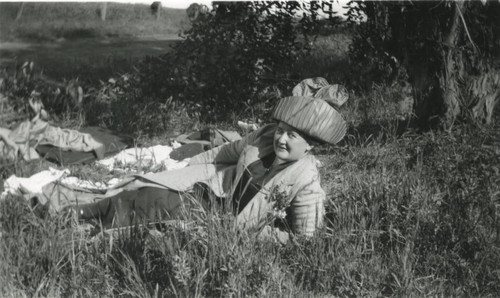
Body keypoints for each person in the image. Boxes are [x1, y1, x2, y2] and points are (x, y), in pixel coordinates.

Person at [65, 95, 347, 242]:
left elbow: (304, 238)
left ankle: (94, 232)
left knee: (153, 220)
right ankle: (86, 210)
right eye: (281, 130)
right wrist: (188, 164)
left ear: (309, 146)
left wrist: (259, 234)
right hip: (213, 193)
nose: (281, 138)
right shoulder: (263, 138)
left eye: (292, 136)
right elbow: (226, 150)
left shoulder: (307, 180)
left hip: (225, 223)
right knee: (150, 193)